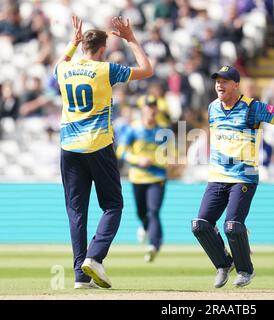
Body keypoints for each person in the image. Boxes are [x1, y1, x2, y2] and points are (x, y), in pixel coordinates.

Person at [53, 16, 153, 289]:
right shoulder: (105, 70)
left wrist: (72, 43)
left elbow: (56, 66)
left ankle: (80, 276)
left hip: (69, 148)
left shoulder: (64, 70)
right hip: (97, 145)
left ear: (83, 45)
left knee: (76, 211)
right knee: (113, 205)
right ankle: (94, 257)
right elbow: (146, 69)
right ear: (102, 49)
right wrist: (131, 38)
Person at [191, 65, 274, 288]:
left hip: (244, 176)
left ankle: (245, 270)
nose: (219, 84)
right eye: (217, 80)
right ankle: (224, 264)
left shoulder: (252, 107)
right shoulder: (212, 108)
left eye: (225, 81)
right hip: (217, 176)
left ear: (236, 85)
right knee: (200, 225)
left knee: (232, 225)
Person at [116, 95, 168, 262]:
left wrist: (161, 162)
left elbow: (172, 155)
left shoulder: (163, 130)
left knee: (153, 211)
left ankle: (154, 244)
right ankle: (145, 227)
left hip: (157, 177)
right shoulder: (133, 129)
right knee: (141, 213)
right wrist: (138, 160)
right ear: (142, 110)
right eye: (148, 107)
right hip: (137, 177)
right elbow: (121, 151)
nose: (152, 110)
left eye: (154, 107)